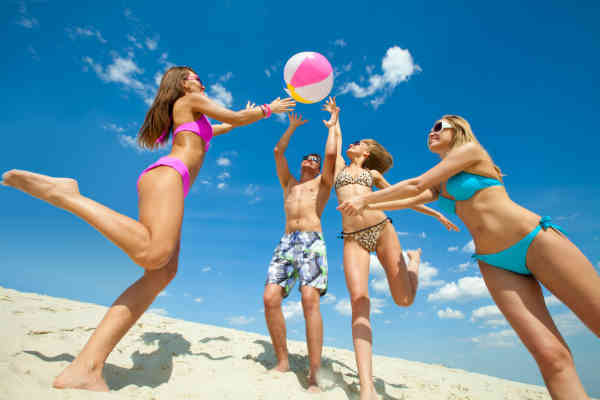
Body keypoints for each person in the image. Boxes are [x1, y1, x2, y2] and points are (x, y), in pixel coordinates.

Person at [1, 66, 295, 392]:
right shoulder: (192, 100)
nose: (201, 80)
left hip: (170, 179)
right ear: (183, 84)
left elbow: (223, 126)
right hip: (169, 175)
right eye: (195, 76)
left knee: (162, 272)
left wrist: (246, 115)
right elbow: (235, 118)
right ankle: (69, 196)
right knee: (154, 254)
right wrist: (270, 109)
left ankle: (86, 368)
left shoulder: (192, 114)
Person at [338, 115, 600, 399]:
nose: (432, 132)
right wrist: (364, 202)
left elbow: (415, 185)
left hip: (534, 240)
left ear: (458, 129)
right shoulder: (442, 180)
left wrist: (364, 199)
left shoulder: (472, 152)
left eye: (439, 127)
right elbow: (409, 199)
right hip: (494, 262)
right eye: (430, 129)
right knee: (551, 357)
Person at [329, 99, 458, 400]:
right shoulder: (337, 169)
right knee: (359, 302)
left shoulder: (372, 176)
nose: (353, 143)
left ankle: (413, 264)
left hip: (383, 229)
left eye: (360, 143)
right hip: (353, 238)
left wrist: (436, 213)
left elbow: (402, 195)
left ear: (368, 153)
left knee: (403, 300)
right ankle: (367, 389)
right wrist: (335, 117)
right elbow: (334, 141)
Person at [263, 101, 339, 392]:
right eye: (306, 157)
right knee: (270, 298)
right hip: (286, 242)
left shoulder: (322, 184)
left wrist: (332, 124)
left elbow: (331, 155)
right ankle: (282, 361)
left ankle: (313, 374)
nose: (311, 159)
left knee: (310, 300)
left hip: (311, 242)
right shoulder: (289, 184)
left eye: (315, 159)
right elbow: (277, 152)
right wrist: (292, 127)